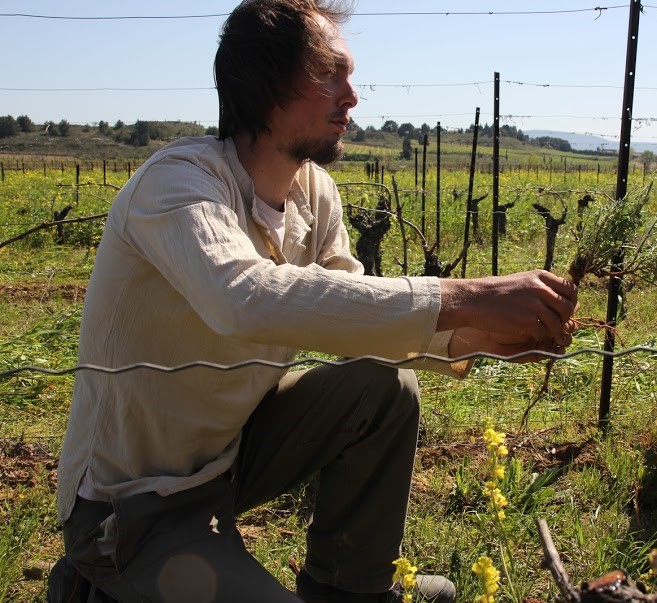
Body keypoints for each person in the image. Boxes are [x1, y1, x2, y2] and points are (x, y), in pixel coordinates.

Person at [47, 0, 578, 601]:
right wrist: (466, 296)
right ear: (265, 83)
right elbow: (243, 298)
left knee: (383, 387)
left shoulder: (314, 193)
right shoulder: (179, 182)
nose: (351, 96)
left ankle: (353, 590)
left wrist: (481, 339)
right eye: (330, 73)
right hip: (130, 505)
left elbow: (357, 317)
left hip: (228, 462)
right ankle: (92, 583)